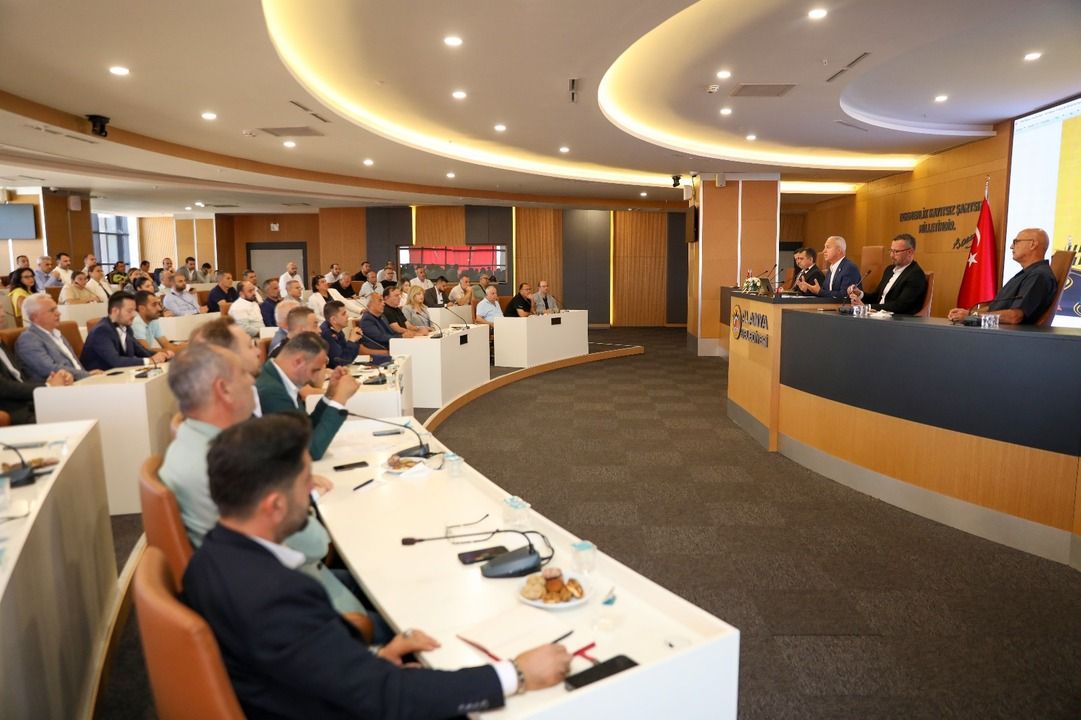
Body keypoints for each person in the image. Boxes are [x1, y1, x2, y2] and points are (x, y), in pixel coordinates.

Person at [182, 413, 571, 720]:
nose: (313, 489)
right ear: (274, 505)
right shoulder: (276, 595)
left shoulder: (209, 560)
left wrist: (374, 657)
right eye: (305, 481)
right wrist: (515, 674)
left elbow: (300, 663)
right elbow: (388, 698)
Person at [162, 345, 369, 623]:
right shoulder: (232, 463)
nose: (253, 381)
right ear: (223, 389)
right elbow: (315, 544)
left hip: (264, 587)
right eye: (245, 374)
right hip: (297, 604)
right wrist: (297, 491)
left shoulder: (189, 443)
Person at [255, 331, 358, 459]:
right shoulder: (271, 391)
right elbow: (308, 451)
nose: (313, 378)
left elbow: (306, 428)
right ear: (298, 362)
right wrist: (340, 399)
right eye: (314, 370)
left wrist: (331, 394)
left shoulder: (278, 378)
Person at [947, 227, 1058, 325]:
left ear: (1032, 244)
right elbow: (995, 309)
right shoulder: (1027, 273)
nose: (1011, 246)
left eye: (1016, 242)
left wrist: (972, 317)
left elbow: (1014, 317)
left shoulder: (1039, 276)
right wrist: (969, 313)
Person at [80, 292, 169, 370]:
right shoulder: (101, 331)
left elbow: (142, 352)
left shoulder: (127, 328)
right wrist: (150, 360)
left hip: (121, 377)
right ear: (115, 311)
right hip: (98, 380)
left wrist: (164, 355)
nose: (134, 315)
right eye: (129, 311)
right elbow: (116, 361)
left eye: (134, 310)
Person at [15, 294, 91, 382]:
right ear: (34, 317)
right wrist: (87, 375)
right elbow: (49, 369)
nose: (58, 313)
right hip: (58, 387)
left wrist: (89, 375)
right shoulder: (28, 339)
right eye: (52, 310)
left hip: (80, 381)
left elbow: (74, 363)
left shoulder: (56, 333)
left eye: (56, 309)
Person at [848, 233, 928, 314]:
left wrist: (867, 307)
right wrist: (860, 294)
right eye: (891, 251)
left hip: (897, 319)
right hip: (877, 315)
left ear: (910, 252)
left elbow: (900, 306)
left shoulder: (915, 275)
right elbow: (876, 296)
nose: (891, 255)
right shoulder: (889, 270)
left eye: (896, 251)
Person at [0, 341, 72, 425]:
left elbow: (22, 379)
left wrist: (50, 381)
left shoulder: (2, 344)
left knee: (75, 406)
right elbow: (4, 387)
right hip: (15, 410)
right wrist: (47, 386)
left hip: (34, 403)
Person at [132, 290, 180, 357]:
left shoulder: (153, 319)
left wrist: (182, 347)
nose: (159, 308)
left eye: (158, 304)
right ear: (142, 308)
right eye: (154, 305)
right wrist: (182, 348)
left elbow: (166, 345)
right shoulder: (136, 322)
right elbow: (146, 351)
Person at [320, 301, 362, 368]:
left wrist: (355, 340)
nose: (347, 316)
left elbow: (350, 356)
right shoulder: (326, 333)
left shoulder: (337, 328)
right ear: (333, 319)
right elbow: (341, 362)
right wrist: (351, 341)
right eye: (343, 314)